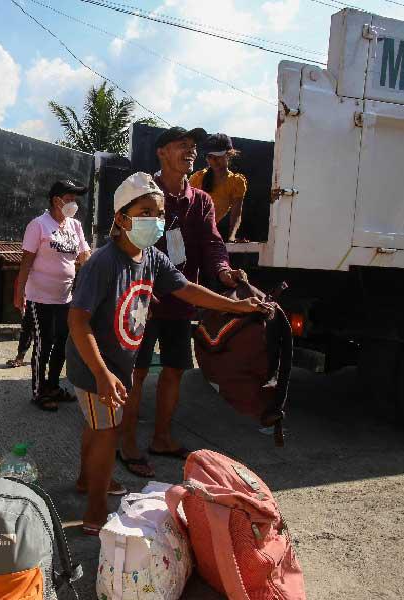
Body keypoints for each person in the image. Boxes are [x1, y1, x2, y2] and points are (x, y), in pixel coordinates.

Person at [66, 172, 269, 534]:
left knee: (97, 425)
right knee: (108, 432)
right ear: (121, 218)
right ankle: (95, 512)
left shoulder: (152, 257)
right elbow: (77, 321)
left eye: (159, 214)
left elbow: (187, 289)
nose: (155, 221)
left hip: (115, 363)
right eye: (145, 212)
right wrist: (101, 373)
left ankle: (87, 480)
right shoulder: (103, 262)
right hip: (94, 363)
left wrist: (236, 306)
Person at [120, 127, 248, 476]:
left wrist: (224, 272)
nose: (190, 151)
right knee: (136, 372)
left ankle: (161, 438)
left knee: (175, 369)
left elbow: (213, 244)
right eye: (182, 145)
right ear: (161, 152)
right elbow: (125, 239)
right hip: (141, 299)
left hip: (180, 299)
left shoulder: (201, 201)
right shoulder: (144, 192)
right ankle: (126, 442)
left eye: (193, 147)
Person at [14, 179, 91, 411]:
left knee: (62, 343)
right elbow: (26, 262)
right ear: (56, 201)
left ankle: (53, 386)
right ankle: (39, 392)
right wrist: (19, 293)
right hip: (40, 298)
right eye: (69, 199)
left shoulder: (75, 226)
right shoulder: (38, 225)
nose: (73, 204)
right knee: (43, 344)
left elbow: (85, 258)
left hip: (66, 298)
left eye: (75, 199)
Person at [189, 133, 248, 242]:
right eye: (210, 156)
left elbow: (236, 214)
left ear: (229, 154)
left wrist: (232, 237)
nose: (214, 160)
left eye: (218, 156)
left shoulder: (237, 182)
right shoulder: (197, 178)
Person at [6, 274, 34, 368]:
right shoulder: (24, 274)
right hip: (30, 302)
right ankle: (20, 358)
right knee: (26, 330)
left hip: (47, 301)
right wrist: (22, 304)